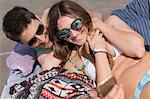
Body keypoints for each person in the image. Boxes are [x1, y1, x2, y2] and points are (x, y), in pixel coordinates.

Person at [2, 6, 124, 99]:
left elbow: (95, 14)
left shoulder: (51, 16)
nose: (43, 40)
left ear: (39, 19)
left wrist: (91, 22)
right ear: (23, 44)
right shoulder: (49, 60)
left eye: (40, 30)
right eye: (33, 41)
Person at [46, 0, 150, 99]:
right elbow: (108, 91)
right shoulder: (75, 63)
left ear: (82, 16)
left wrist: (100, 25)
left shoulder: (110, 23)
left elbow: (138, 50)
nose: (74, 34)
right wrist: (99, 50)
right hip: (139, 87)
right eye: (65, 33)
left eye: (76, 25)